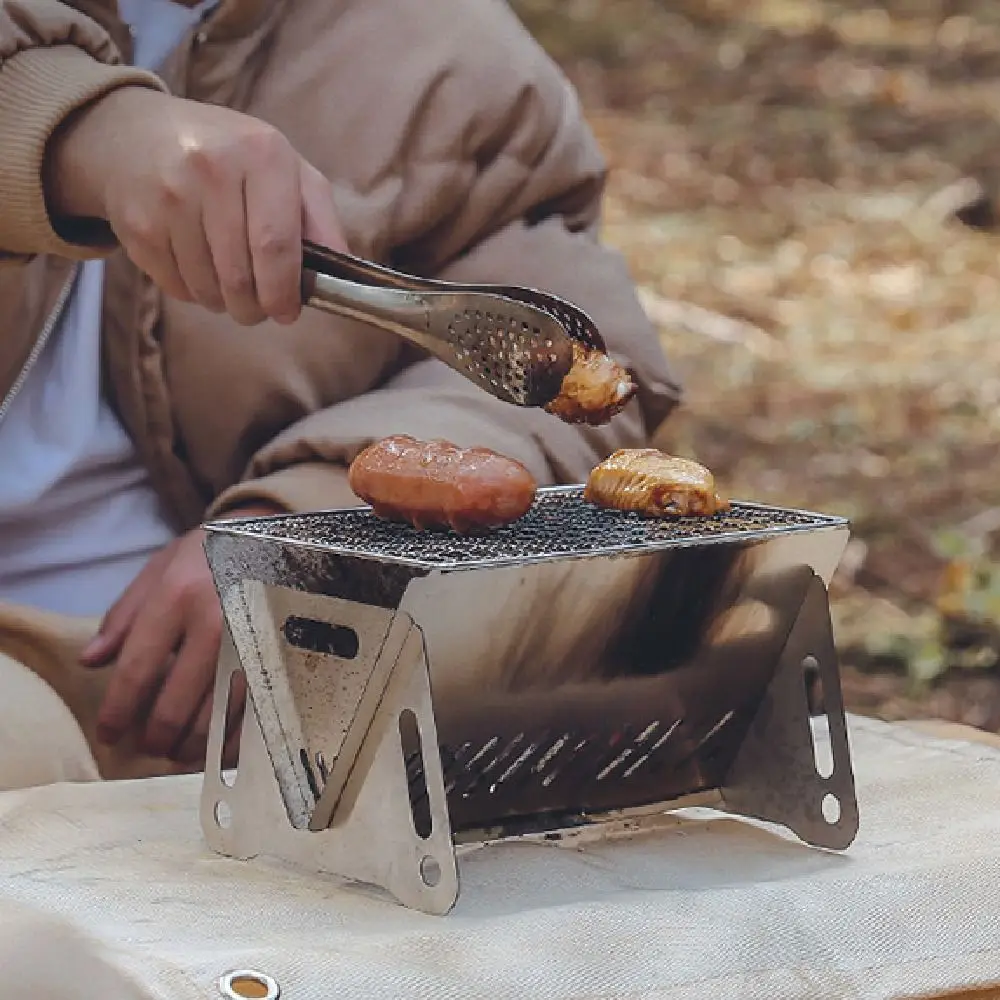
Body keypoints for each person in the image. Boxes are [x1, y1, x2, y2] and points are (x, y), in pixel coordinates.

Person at [0, 0, 681, 788]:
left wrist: (306, 523)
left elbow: (587, 360)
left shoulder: (439, 49)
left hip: (187, 695)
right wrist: (75, 133)